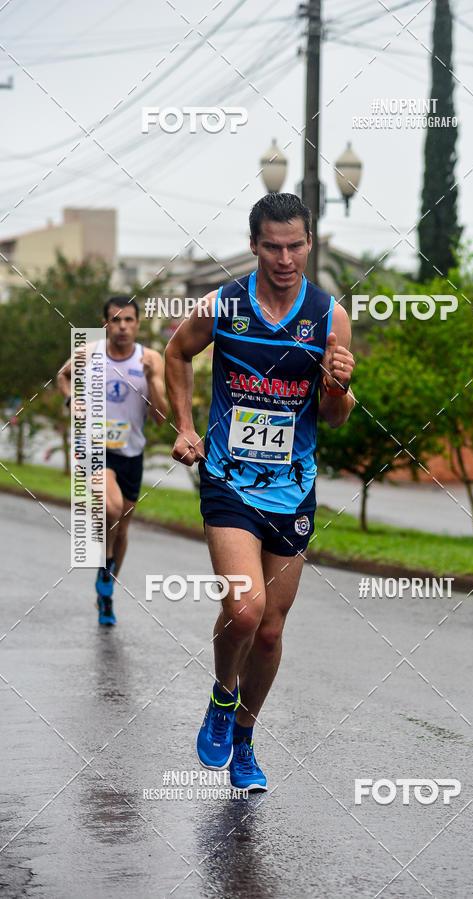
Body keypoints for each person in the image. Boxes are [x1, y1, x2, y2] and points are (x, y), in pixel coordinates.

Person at [165, 193, 354, 792]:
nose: (284, 257)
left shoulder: (329, 316)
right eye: (272, 246)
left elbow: (337, 416)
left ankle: (244, 739)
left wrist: (338, 389)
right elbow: (176, 351)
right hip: (226, 480)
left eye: (295, 245)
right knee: (243, 610)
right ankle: (223, 696)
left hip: (292, 490)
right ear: (253, 245)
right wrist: (187, 427)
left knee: (270, 630)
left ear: (309, 244)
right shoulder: (225, 304)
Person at [58, 295, 168, 625]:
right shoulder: (89, 353)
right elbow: (63, 376)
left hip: (131, 452)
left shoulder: (150, 359)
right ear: (105, 323)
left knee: (121, 531)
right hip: (93, 447)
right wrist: (72, 402)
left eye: (129, 320)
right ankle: (104, 564)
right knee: (110, 508)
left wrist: (152, 381)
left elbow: (162, 417)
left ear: (137, 323)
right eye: (115, 320)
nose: (122, 326)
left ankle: (106, 592)